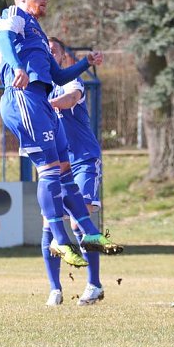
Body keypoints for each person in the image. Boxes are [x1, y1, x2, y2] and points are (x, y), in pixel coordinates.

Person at [0, 0, 122, 273]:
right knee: (50, 169)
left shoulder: (37, 34)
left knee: (64, 170)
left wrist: (86, 62)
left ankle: (88, 231)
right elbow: (3, 39)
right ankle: (60, 238)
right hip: (23, 98)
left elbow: (60, 76)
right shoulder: (14, 13)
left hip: (41, 101)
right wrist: (16, 67)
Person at [40, 37, 107, 306]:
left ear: (65, 58)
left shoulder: (70, 82)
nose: (49, 53)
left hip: (83, 161)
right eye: (45, 50)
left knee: (80, 222)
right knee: (49, 226)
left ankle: (94, 284)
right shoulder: (39, 88)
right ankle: (55, 289)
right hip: (57, 165)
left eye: (53, 50)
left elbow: (69, 100)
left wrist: (48, 105)